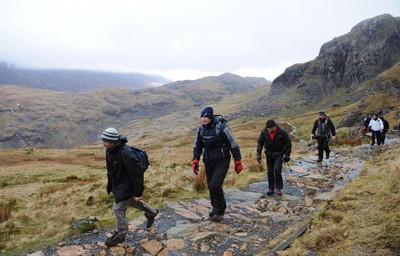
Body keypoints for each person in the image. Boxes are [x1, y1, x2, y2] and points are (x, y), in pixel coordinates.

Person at [102, 127, 158, 247]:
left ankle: (121, 235)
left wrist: (138, 193)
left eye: (105, 141)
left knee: (118, 209)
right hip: (118, 185)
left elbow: (137, 175)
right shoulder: (109, 150)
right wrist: (110, 185)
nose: (103, 143)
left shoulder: (127, 154)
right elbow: (110, 170)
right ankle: (152, 212)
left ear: (113, 141)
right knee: (131, 202)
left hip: (127, 186)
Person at [192, 107, 243, 222]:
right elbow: (197, 146)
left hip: (222, 160)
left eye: (206, 117)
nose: (203, 119)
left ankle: (220, 209)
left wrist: (237, 161)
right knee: (211, 186)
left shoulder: (221, 128)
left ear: (210, 117)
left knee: (215, 185)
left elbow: (233, 144)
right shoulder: (201, 130)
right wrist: (195, 160)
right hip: (209, 161)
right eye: (202, 116)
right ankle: (216, 207)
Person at [256, 120, 292, 195]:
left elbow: (288, 143)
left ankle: (279, 188)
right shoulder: (264, 132)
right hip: (269, 154)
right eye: (269, 129)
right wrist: (258, 154)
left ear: (275, 126)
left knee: (277, 169)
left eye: (271, 129)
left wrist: (287, 155)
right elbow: (260, 143)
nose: (270, 130)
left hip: (279, 153)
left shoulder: (282, 132)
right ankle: (271, 188)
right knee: (270, 171)